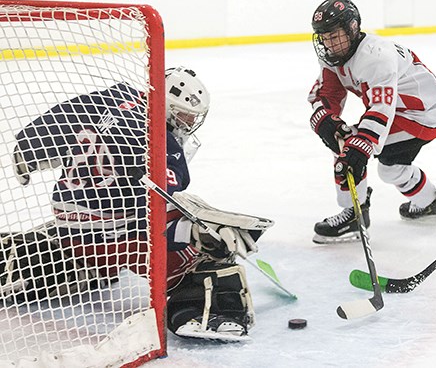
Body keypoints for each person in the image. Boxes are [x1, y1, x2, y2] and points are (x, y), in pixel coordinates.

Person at [4, 67, 268, 340]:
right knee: (196, 255)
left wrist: (27, 156)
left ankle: (47, 260)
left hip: (65, 220)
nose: (188, 122)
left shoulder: (110, 97)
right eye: (182, 114)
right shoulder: (162, 143)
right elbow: (156, 212)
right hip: (108, 238)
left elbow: (55, 121)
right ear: (165, 106)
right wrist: (193, 234)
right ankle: (197, 311)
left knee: (168, 212)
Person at [309, 0, 436, 244]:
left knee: (348, 145)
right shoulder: (334, 55)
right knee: (390, 169)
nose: (330, 44)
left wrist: (361, 144)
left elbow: (381, 107)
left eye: (335, 36)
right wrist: (326, 119)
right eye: (325, 37)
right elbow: (328, 93)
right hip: (400, 109)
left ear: (352, 29)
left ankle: (354, 214)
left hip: (421, 113)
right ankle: (430, 200)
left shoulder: (375, 55)